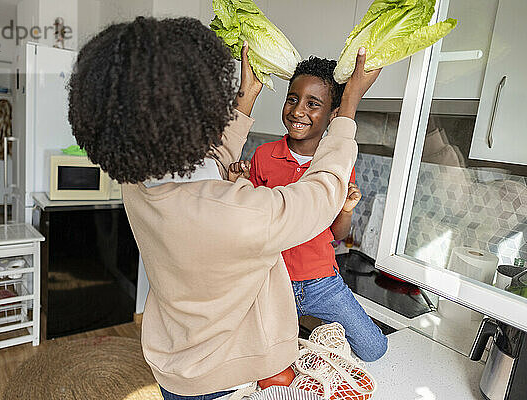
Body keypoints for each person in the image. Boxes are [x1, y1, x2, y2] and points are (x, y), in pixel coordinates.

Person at [68, 16, 380, 400]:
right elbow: (321, 193)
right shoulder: (239, 214)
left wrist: (246, 97)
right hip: (222, 380)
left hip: (173, 364)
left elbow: (205, 161)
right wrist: (348, 109)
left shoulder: (135, 179)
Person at [228, 57, 388, 362]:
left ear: (334, 115)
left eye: (313, 103)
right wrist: (241, 185)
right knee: (259, 357)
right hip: (270, 279)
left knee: (373, 348)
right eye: (293, 99)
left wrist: (348, 209)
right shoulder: (264, 155)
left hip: (321, 282)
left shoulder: (337, 163)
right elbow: (256, 224)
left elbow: (338, 236)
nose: (298, 110)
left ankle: (312, 355)